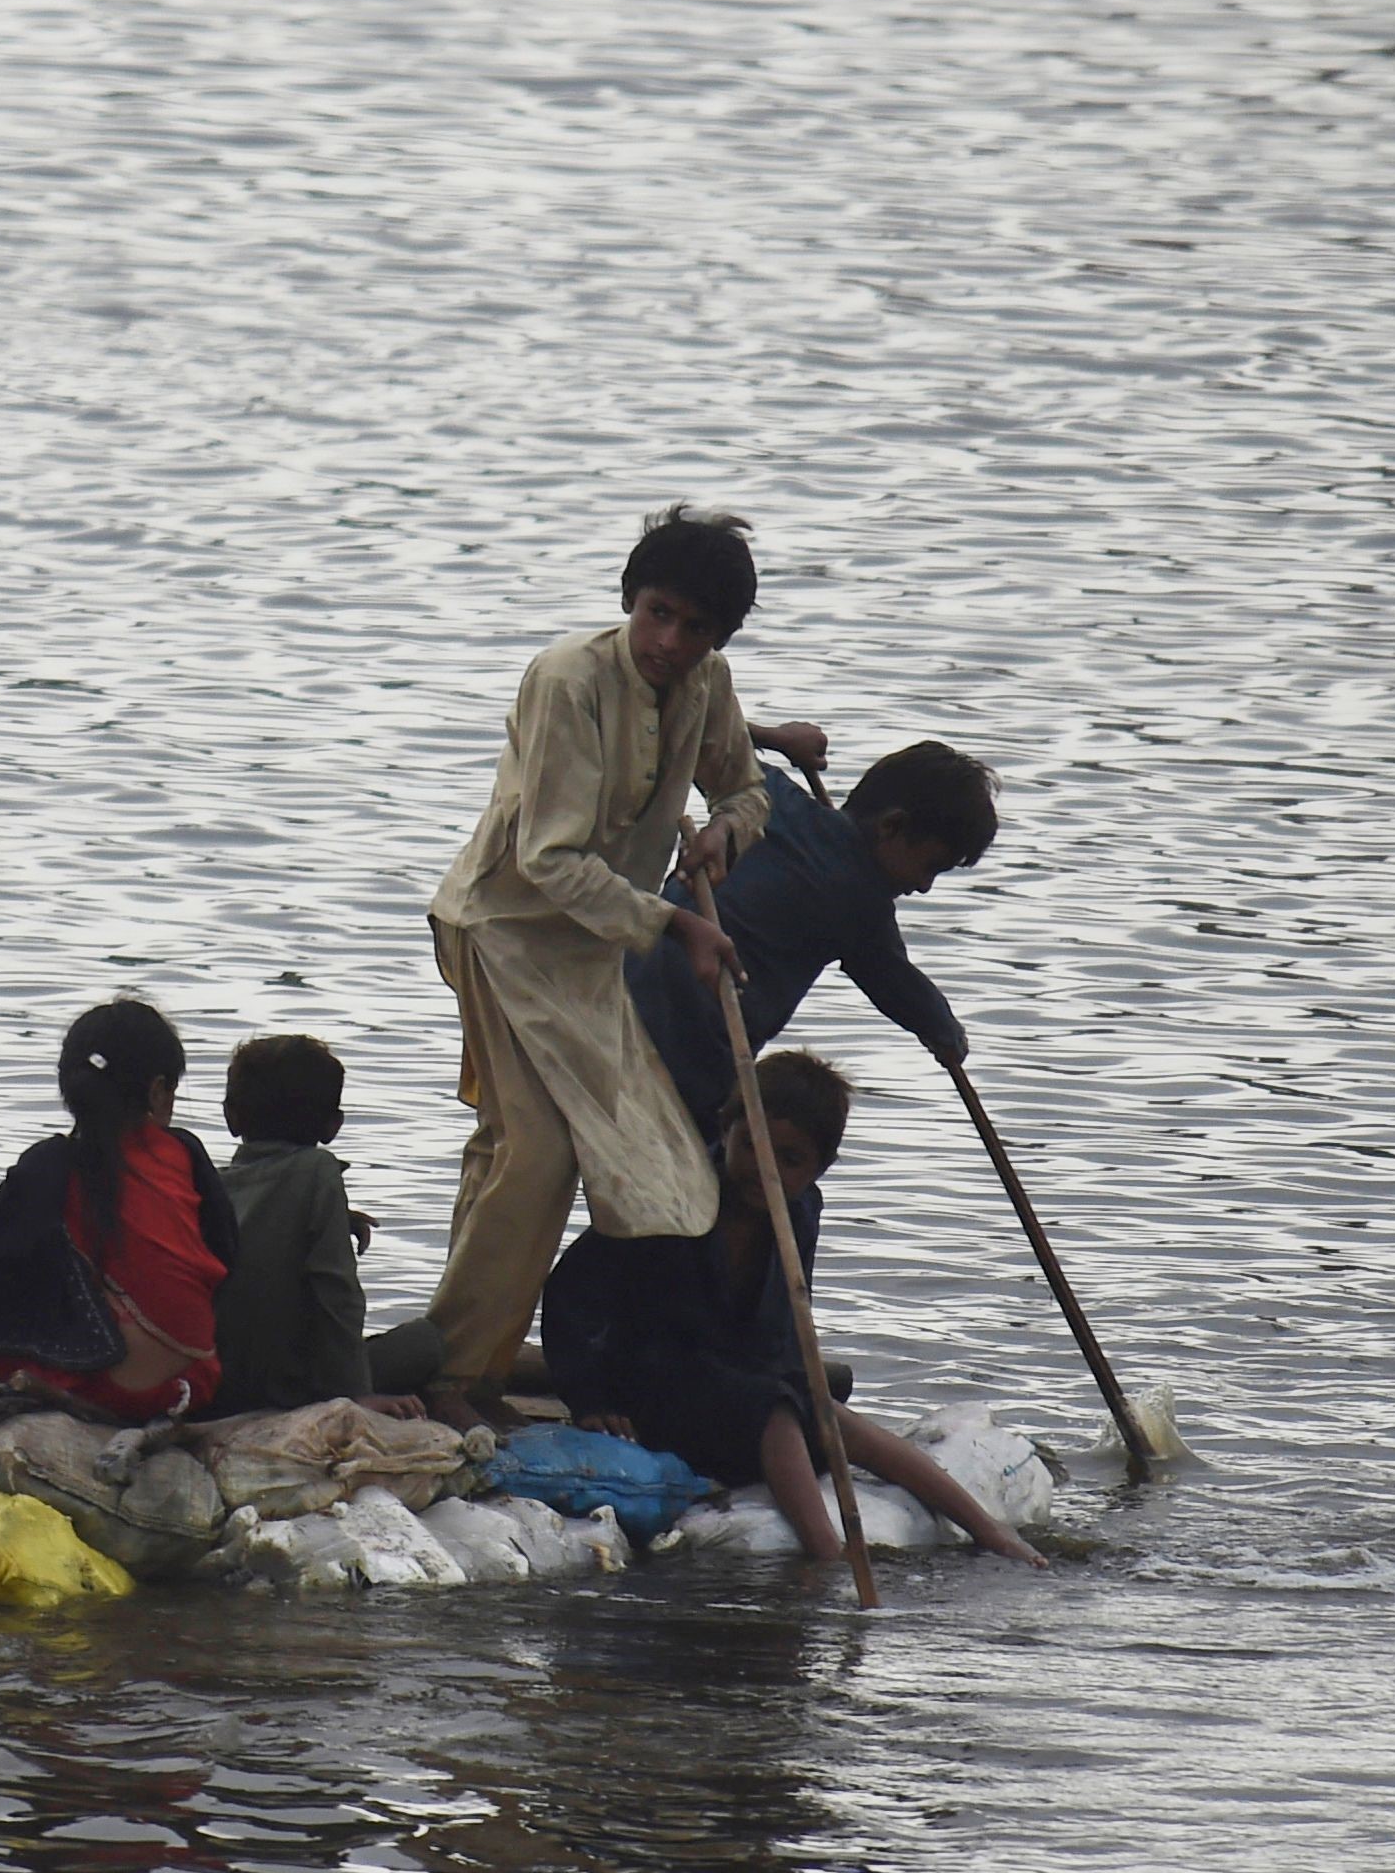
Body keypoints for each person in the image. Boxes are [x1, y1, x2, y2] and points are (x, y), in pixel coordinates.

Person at [422, 505, 774, 1419]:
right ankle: (461, 1376)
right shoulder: (566, 679)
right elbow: (547, 858)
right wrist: (674, 924)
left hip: (587, 952)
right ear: (630, 599)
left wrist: (724, 837)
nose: (669, 641)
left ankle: (458, 1352)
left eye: (695, 628)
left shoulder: (706, 684)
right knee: (538, 1156)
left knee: (512, 1149)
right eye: (657, 613)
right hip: (501, 929)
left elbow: (743, 786)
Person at [539, 1049, 1045, 1567]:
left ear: (818, 1168)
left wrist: (799, 1390)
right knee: (776, 1409)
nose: (768, 1168)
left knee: (830, 1415)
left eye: (791, 1159)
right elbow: (568, 1296)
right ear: (726, 1128)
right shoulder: (673, 1198)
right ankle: (830, 1556)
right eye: (752, 1145)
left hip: (740, 1387)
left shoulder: (800, 1212)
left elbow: (782, 1323)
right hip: (660, 1388)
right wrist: (590, 1397)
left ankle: (990, 1531)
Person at [632, 739, 998, 1141]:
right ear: (891, 826)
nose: (924, 886)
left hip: (625, 975)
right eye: (930, 867)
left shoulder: (770, 795)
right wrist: (946, 1034)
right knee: (708, 1155)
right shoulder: (861, 902)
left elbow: (705, 736)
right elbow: (896, 982)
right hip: (695, 1045)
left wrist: (774, 739)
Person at [0, 999, 236, 1422]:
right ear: (156, 1091)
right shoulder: (185, 1153)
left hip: (110, 1387)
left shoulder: (54, 1164)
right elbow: (224, 1251)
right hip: (192, 1384)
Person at [211, 1033, 417, 1416]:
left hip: (215, 1385)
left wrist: (338, 1220)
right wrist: (355, 1394)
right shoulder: (318, 1170)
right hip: (290, 1392)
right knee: (429, 1343)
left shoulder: (209, 1182)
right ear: (333, 1125)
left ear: (230, 1115)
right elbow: (337, 1293)